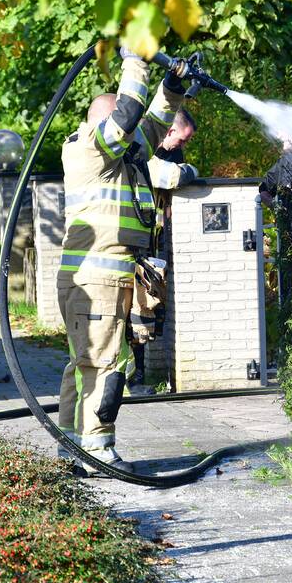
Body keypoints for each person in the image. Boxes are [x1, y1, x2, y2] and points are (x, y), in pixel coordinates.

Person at [57, 45, 196, 474]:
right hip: (95, 276)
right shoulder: (89, 148)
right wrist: (135, 59)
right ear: (104, 120)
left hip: (108, 276)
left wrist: (173, 83)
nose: (134, 135)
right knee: (106, 363)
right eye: (121, 124)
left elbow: (152, 122)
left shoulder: (120, 154)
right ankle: (98, 449)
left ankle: (72, 446)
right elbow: (132, 113)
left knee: (85, 364)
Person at [126, 107, 199, 392]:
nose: (182, 146)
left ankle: (137, 374)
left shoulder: (165, 155)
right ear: (169, 131)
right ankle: (131, 377)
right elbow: (171, 177)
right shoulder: (143, 156)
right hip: (133, 246)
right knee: (134, 312)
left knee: (145, 311)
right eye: (181, 140)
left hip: (148, 245)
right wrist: (190, 170)